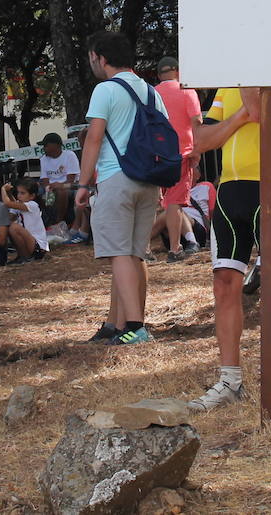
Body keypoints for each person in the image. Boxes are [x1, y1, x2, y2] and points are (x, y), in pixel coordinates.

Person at [188, 85, 271, 412]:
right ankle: (229, 380)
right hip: (229, 190)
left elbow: (260, 109)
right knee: (224, 284)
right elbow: (201, 140)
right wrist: (241, 117)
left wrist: (241, 114)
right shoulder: (229, 85)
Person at [74, 31, 169, 346]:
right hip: (148, 180)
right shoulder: (151, 92)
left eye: (92, 58)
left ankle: (134, 327)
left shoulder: (105, 89)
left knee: (119, 254)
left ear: (100, 58)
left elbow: (94, 138)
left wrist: (83, 183)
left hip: (116, 178)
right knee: (134, 254)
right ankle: (116, 324)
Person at [154, 56, 202, 262]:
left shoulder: (152, 93)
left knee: (153, 202)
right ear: (178, 71)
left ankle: (143, 249)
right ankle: (175, 248)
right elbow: (196, 120)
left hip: (155, 155)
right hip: (181, 154)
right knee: (174, 203)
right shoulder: (187, 90)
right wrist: (198, 149)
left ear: (159, 75)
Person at [37, 132, 81, 232]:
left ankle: (59, 221)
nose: (44, 148)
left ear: (55, 145)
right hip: (52, 187)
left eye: (46, 145)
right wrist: (49, 188)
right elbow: (44, 180)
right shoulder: (43, 159)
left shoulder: (69, 155)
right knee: (42, 193)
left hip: (70, 185)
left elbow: (71, 179)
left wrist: (58, 186)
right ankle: (46, 222)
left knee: (62, 191)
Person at [2, 178, 48, 263]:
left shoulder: (32, 205)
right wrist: (9, 193)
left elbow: (7, 203)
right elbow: (10, 216)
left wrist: (3, 190)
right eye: (18, 192)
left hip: (38, 247)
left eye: (22, 193)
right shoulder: (20, 205)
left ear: (32, 196)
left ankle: (26, 258)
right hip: (31, 244)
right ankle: (22, 256)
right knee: (8, 226)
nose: (19, 195)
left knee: (14, 227)